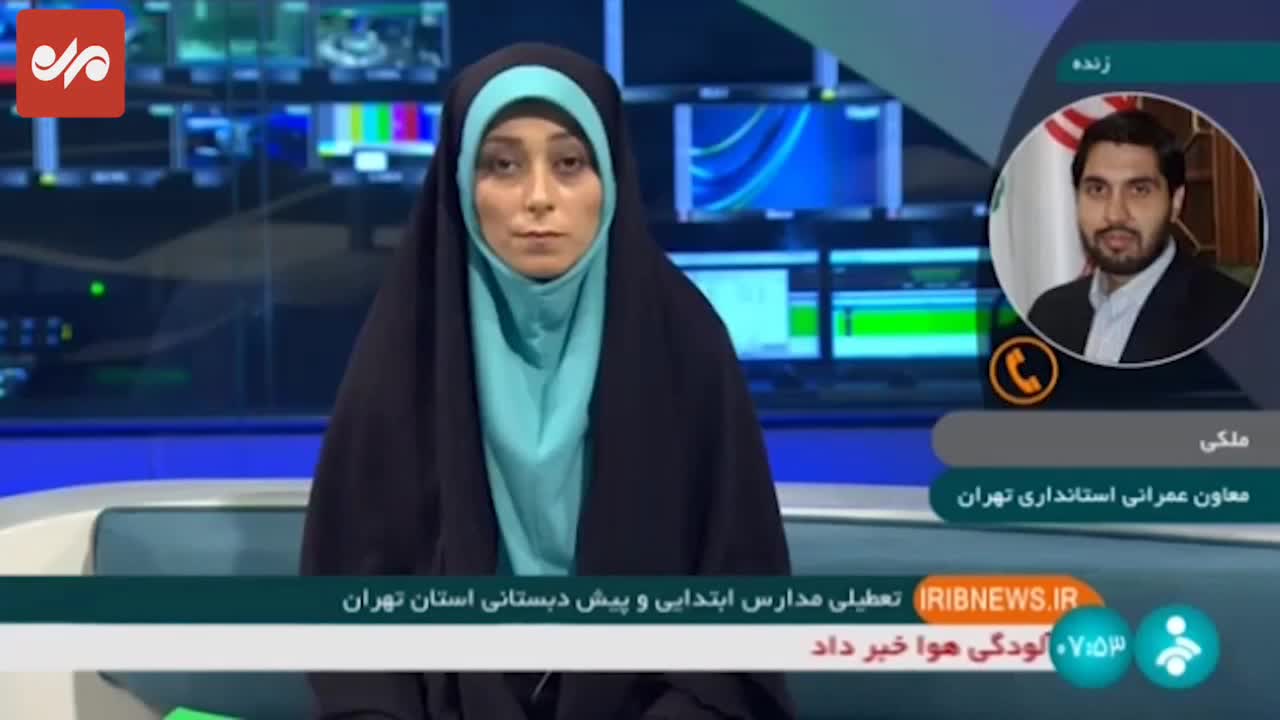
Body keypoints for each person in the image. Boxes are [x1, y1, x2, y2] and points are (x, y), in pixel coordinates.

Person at [300, 43, 795, 719]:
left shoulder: (687, 341)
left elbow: (740, 605)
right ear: (460, 183)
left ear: (610, 176)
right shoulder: (405, 349)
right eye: (502, 166)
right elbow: (351, 622)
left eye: (569, 164)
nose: (538, 199)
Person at [1026, 109, 1249, 365]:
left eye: (1139, 190)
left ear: (1175, 202)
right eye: (1097, 189)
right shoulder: (1048, 315)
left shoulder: (1234, 318)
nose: (1115, 214)